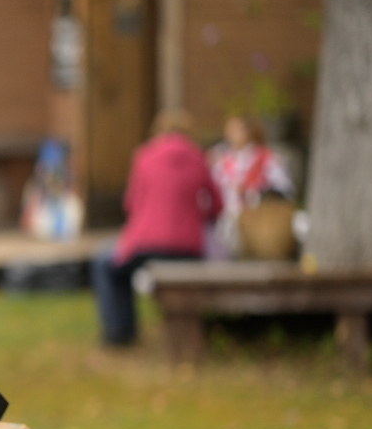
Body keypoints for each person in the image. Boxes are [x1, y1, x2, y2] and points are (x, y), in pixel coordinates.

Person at [92, 109, 222, 345]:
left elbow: (130, 203)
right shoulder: (199, 157)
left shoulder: (144, 156)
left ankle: (119, 332)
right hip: (189, 247)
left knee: (105, 264)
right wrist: (196, 216)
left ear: (158, 131)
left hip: (146, 244)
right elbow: (217, 204)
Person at [206, 114, 295, 259]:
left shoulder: (267, 158)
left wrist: (254, 191)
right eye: (229, 130)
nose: (231, 134)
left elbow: (284, 190)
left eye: (237, 129)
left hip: (258, 219)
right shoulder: (223, 159)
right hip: (227, 217)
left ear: (250, 131)